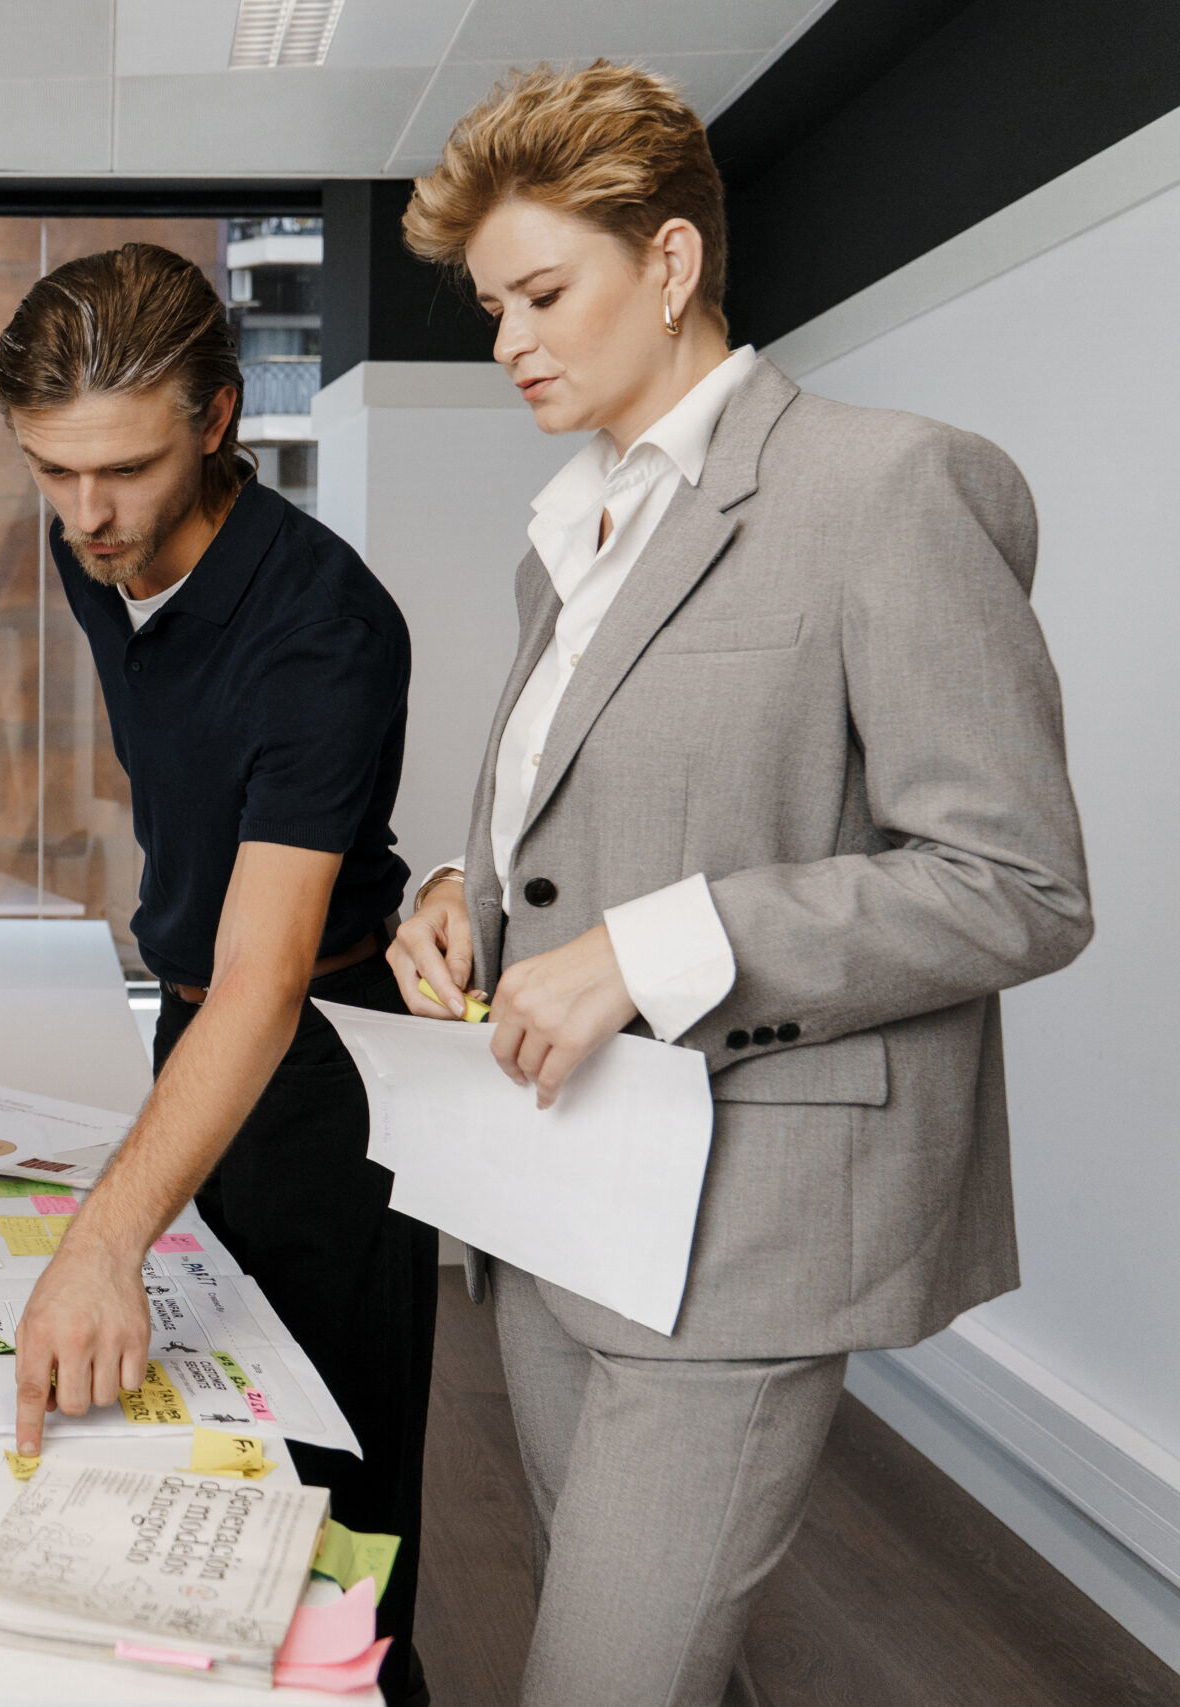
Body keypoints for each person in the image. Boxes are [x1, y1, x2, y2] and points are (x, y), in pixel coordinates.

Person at [385, 62, 1092, 1707]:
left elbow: (1015, 881)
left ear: (673, 263)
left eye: (541, 294)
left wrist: (650, 948)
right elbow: (588, 814)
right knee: (645, 1655)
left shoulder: (890, 485)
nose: (508, 343)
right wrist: (464, 892)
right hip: (558, 1190)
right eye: (492, 310)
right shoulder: (568, 534)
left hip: (745, 1222)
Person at [0, 244, 435, 1707]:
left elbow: (264, 974)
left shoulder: (325, 630)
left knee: (333, 1487)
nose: (86, 512)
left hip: (325, 1065)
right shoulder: (92, 544)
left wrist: (101, 1240)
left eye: (123, 469)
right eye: (52, 470)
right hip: (193, 1020)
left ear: (220, 419)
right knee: (198, 1445)